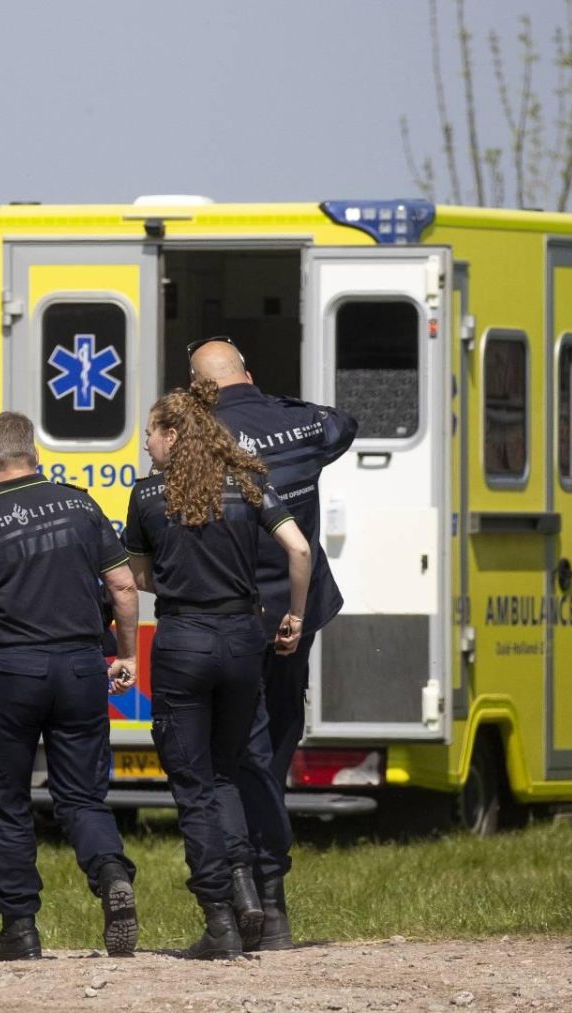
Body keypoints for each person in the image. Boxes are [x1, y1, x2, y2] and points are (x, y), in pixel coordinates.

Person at [123, 379, 311, 959]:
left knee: (193, 785)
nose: (146, 447)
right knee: (228, 773)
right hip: (242, 640)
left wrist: (177, 576)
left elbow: (138, 576)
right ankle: (247, 885)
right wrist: (296, 618)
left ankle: (220, 920)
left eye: (150, 434)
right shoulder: (250, 484)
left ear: (172, 434)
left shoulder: (147, 496)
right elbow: (299, 550)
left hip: (183, 641)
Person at [0, 412, 141, 961]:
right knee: (81, 794)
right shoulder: (81, 504)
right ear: (33, 453)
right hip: (81, 667)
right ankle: (109, 874)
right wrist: (126, 652)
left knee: (7, 801)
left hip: (14, 674)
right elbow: (123, 584)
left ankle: (20, 928)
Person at [190, 336, 357, 948]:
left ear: (200, 389)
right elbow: (346, 423)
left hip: (230, 616)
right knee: (277, 747)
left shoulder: (201, 436)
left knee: (234, 756)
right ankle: (273, 900)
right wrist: (271, 401)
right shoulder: (302, 426)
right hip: (295, 613)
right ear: (248, 375)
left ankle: (249, 893)